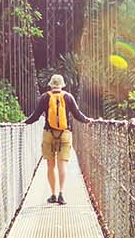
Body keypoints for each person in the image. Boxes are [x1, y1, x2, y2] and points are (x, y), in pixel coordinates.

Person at [25, 74, 91, 204]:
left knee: (50, 166)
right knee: (62, 166)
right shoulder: (68, 97)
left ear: (50, 84)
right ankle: (61, 193)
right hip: (65, 134)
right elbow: (77, 115)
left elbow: (36, 116)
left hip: (49, 134)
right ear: (62, 85)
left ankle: (53, 194)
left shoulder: (45, 97)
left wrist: (24, 122)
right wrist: (87, 120)